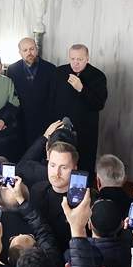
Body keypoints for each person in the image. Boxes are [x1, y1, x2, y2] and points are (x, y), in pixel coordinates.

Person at [49, 44, 107, 172]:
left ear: (87, 58)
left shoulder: (98, 76)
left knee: (84, 164)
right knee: (61, 163)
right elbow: (51, 101)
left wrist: (81, 89)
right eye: (72, 59)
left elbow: (99, 104)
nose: (75, 63)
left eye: (79, 59)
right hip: (61, 129)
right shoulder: (59, 72)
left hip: (85, 131)